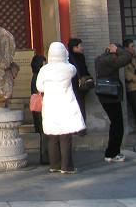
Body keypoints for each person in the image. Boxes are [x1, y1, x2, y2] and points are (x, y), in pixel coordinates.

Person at [36, 42, 85, 174]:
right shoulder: (69, 68)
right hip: (65, 104)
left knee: (52, 137)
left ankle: (54, 165)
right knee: (65, 137)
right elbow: (74, 70)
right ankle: (66, 166)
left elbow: (39, 87)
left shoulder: (44, 70)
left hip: (50, 105)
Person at [95, 43, 133, 162]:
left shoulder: (100, 58)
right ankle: (112, 152)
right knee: (117, 125)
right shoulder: (110, 59)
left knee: (115, 123)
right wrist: (118, 50)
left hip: (104, 94)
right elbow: (127, 57)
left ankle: (111, 152)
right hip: (111, 95)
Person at [67, 38, 91, 132]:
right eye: (80, 46)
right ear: (74, 47)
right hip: (73, 87)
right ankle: (76, 128)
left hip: (81, 87)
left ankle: (81, 128)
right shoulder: (69, 58)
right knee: (76, 108)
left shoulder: (81, 57)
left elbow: (84, 70)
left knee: (81, 107)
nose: (82, 48)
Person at [30, 54, 49, 165]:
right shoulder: (39, 76)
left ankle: (45, 156)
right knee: (44, 133)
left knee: (43, 133)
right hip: (41, 106)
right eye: (44, 62)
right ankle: (45, 157)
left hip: (37, 107)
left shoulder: (35, 75)